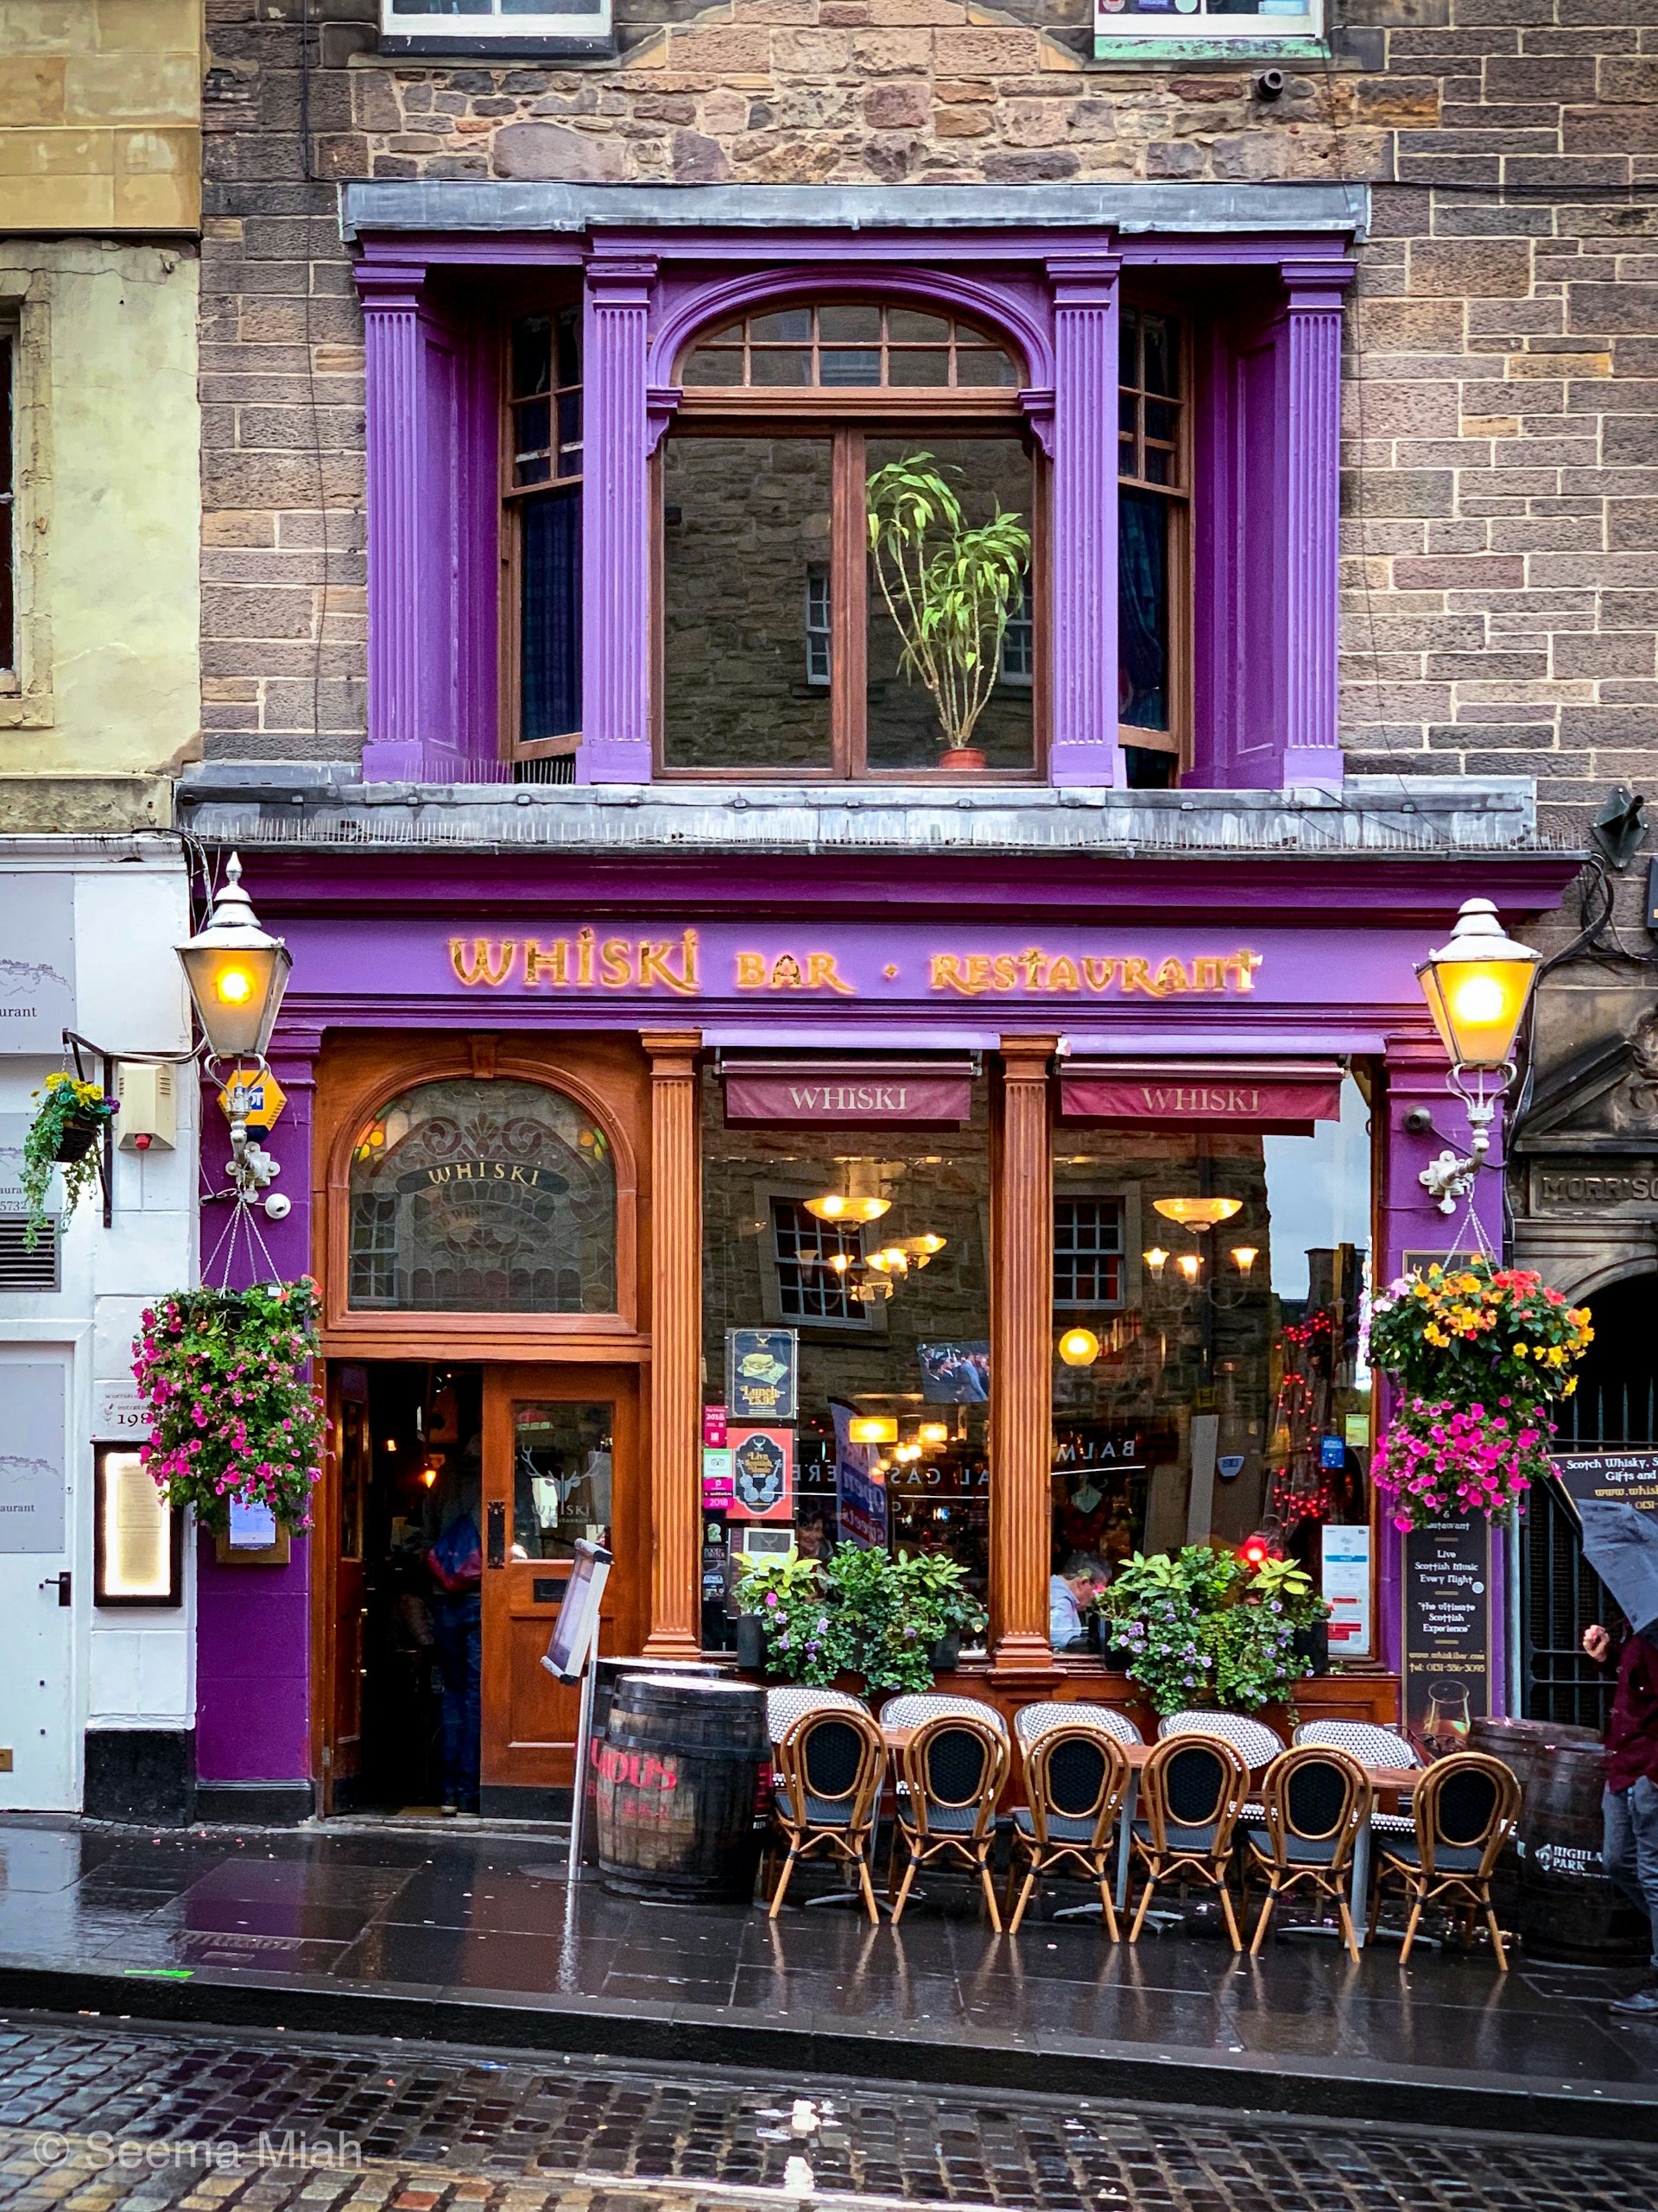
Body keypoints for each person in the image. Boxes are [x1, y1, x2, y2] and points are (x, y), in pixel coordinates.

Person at [1584, 1617, 1658, 2016]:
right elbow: (1636, 1685)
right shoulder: (1640, 1627)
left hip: (1649, 1770)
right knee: (1617, 1861)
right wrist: (1608, 1658)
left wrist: (1653, 1779)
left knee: (1652, 1872)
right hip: (1623, 1764)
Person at [1049, 1550, 1109, 1651]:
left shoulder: (1058, 1594)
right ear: (1083, 1582)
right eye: (1098, 1589)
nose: (1097, 1597)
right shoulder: (1059, 1601)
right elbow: (1063, 1642)